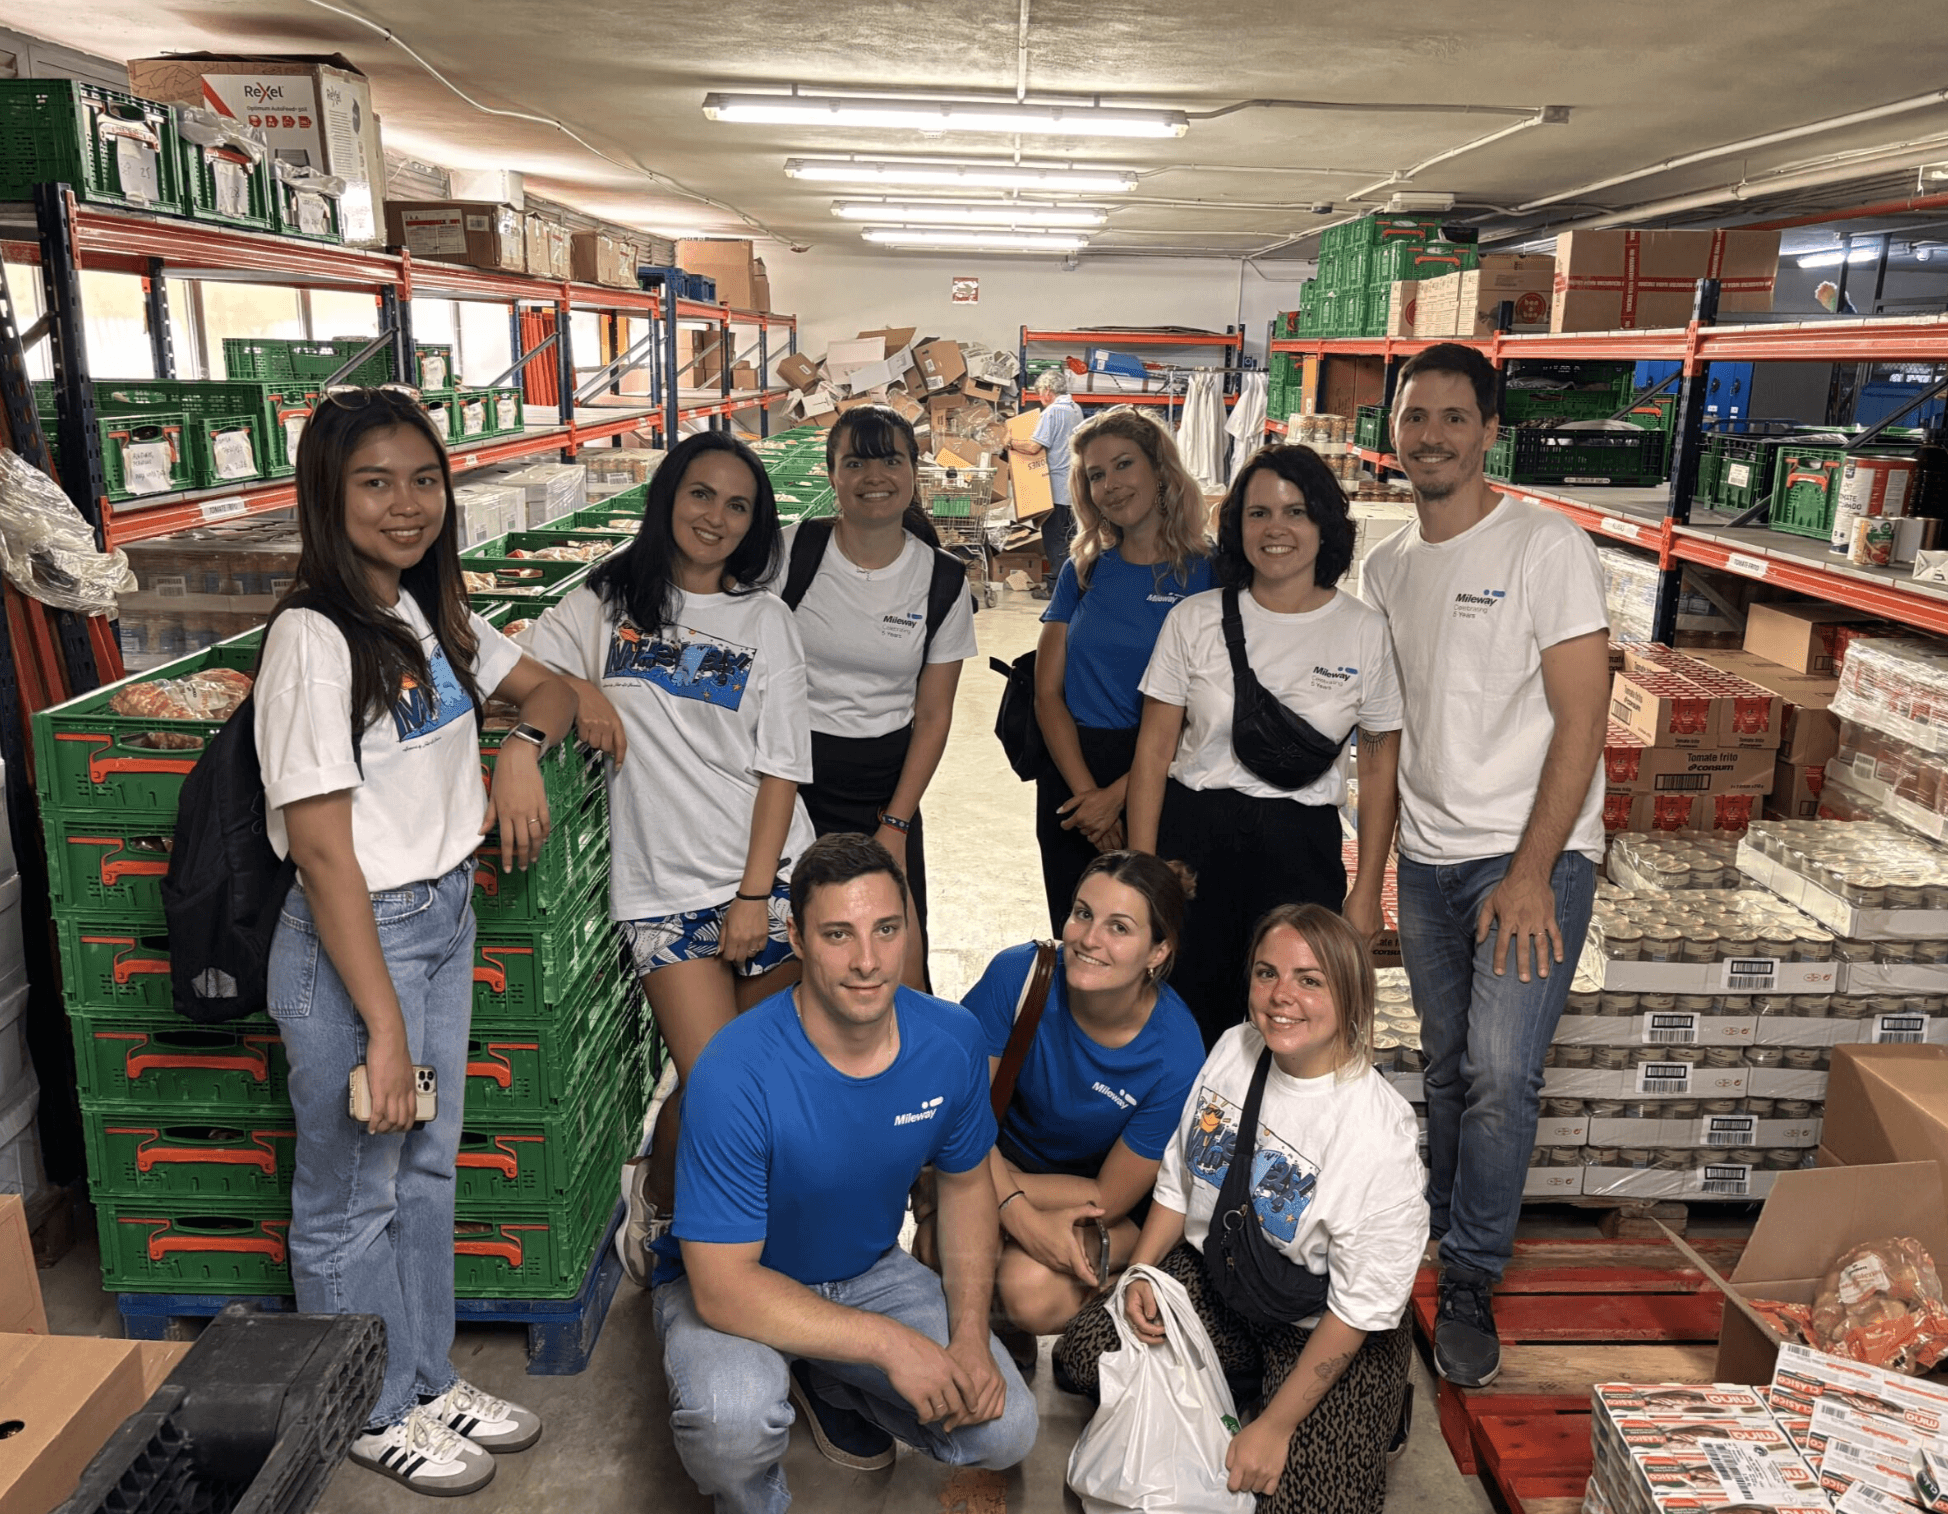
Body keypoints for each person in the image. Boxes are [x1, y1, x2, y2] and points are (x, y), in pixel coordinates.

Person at [257, 388, 577, 1495]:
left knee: (423, 1168)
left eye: (424, 479)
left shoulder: (429, 614)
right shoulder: (314, 637)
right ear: (326, 495)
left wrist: (521, 746)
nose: (408, 504)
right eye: (375, 483)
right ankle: (367, 1404)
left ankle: (426, 1374)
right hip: (358, 947)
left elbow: (550, 689)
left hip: (439, 916)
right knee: (352, 1192)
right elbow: (325, 852)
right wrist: (381, 1028)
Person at [649, 833, 1038, 1511]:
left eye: (886, 930)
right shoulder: (734, 1073)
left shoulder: (951, 1042)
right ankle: (757, 1499)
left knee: (1005, 1430)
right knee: (732, 1423)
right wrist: (890, 1346)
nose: (867, 961)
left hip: (866, 1272)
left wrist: (971, 1334)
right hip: (738, 1282)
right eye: (838, 935)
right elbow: (721, 1288)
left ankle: (828, 1378)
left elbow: (969, 1185)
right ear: (797, 938)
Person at [1362, 342, 1609, 1389]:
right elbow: (1381, 734)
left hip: (1530, 860)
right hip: (1426, 859)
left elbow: (1583, 714)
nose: (1430, 435)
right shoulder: (1386, 568)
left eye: (1453, 417)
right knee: (1452, 1065)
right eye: (1414, 416)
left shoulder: (1545, 547)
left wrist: (1528, 869)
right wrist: (1365, 877)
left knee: (1502, 1074)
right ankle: (1442, 1231)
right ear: (1392, 432)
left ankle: (1466, 1271)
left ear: (1488, 431)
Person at [521, 432, 817, 1266]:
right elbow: (515, 666)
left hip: (769, 875)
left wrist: (756, 897)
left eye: (737, 505)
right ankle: (658, 1194)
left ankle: (724, 1225)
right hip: (661, 889)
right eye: (700, 494)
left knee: (754, 1082)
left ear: (754, 525)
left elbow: (782, 768)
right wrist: (580, 688)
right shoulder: (607, 602)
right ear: (667, 498)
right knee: (716, 1077)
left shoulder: (766, 620)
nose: (714, 517)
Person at [1052, 905, 1427, 1514]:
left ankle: (1369, 1406)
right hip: (1223, 1284)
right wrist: (1143, 1276)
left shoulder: (1376, 1131)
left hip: (1320, 1326)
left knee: (1306, 1502)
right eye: (1266, 973)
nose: (1282, 997)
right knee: (1087, 1355)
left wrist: (1277, 1427)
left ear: (1352, 995)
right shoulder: (1235, 1049)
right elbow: (1179, 1177)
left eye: (1310, 980)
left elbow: (1358, 1308)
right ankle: (1242, 1379)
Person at [1126, 444, 1402, 1048]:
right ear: (1236, 526)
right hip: (1194, 848)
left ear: (1325, 524)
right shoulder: (1193, 621)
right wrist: (1143, 876)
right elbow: (1152, 756)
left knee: (1291, 1024)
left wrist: (1368, 890)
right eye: (1258, 513)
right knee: (1184, 1020)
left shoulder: (1363, 631)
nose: (1276, 528)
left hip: (1302, 852)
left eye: (1296, 512)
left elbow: (1379, 768)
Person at [940, 851, 1205, 1348]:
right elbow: (956, 1109)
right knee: (942, 1257)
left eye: (1119, 928)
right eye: (1083, 913)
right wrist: (1016, 1211)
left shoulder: (1176, 1052)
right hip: (998, 1160)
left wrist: (982, 1184)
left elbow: (1108, 1197)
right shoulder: (1020, 976)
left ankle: (1126, 1283)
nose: (1088, 939)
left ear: (1158, 952)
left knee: (1028, 1290)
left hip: (1089, 1198)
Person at [771, 405, 977, 988]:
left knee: (894, 964)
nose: (874, 476)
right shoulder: (790, 554)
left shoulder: (942, 580)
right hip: (787, 780)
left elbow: (933, 716)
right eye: (855, 461)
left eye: (891, 459)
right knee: (794, 952)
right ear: (831, 473)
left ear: (914, 471)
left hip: (884, 788)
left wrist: (896, 822)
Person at [1034, 406, 1215, 936]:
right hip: (1073, 776)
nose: (1109, 485)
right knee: (1081, 940)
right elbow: (1048, 695)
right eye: (1095, 475)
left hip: (1168, 772)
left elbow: (1210, 705)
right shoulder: (1084, 569)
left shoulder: (1210, 572)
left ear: (1160, 471)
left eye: (1123, 465)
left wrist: (1115, 798)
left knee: (1153, 939)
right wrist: (1088, 798)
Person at [1007, 367, 1084, 590]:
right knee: (1071, 540)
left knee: (1055, 541)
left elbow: (1033, 447)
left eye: (1040, 393)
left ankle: (1056, 589)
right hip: (1075, 487)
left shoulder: (1052, 412)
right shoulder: (1075, 408)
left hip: (1057, 488)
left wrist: (1011, 443)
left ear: (1048, 390)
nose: (1040, 398)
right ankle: (1072, 586)